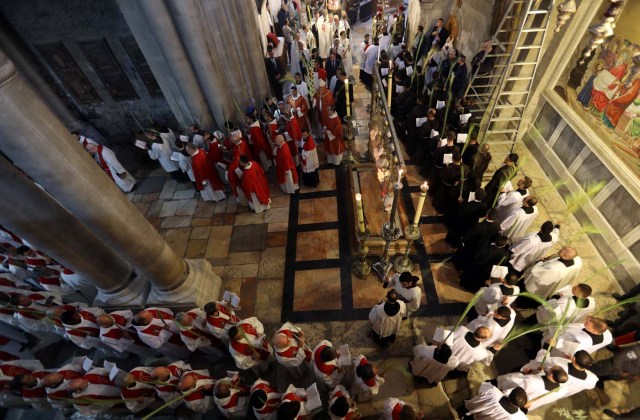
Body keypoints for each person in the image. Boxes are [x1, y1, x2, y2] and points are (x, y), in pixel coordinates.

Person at [522, 350, 598, 398]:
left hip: (540, 383)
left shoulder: (559, 364)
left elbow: (541, 360)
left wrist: (545, 349)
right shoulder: (592, 379)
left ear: (574, 358)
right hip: (558, 394)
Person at [497, 365, 569, 411]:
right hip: (523, 406)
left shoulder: (532, 381)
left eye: (551, 368)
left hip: (512, 399)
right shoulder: (559, 391)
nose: (549, 368)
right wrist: (538, 372)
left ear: (551, 375)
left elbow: (512, 381)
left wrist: (523, 374)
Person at [546, 317, 612, 357]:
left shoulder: (582, 340)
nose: (585, 322)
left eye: (587, 323)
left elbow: (569, 349)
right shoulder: (604, 331)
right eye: (588, 321)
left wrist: (556, 344)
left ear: (594, 331)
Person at [464, 383, 528, 419]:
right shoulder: (519, 417)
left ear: (510, 393)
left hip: (471, 414)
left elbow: (479, 392)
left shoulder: (493, 391)